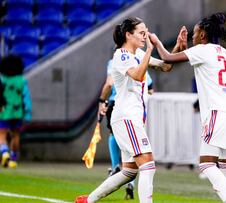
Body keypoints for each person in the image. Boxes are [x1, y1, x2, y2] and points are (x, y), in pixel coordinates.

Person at [76, 17, 186, 203]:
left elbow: (166, 66)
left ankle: (88, 200)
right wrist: (150, 49)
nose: (145, 36)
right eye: (141, 33)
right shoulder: (122, 55)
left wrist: (176, 48)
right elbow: (136, 75)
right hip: (126, 117)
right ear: (128, 34)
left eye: (146, 32)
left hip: (130, 118)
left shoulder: (137, 54)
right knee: (148, 166)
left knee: (129, 171)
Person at [150, 12, 226, 203]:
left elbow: (167, 58)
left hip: (219, 112)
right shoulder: (223, 52)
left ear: (203, 35)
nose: (193, 37)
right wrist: (182, 48)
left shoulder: (203, 50)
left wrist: (156, 42)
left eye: (195, 33)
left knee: (206, 165)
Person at [99, 59, 155, 200]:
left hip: (118, 105)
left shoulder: (116, 59)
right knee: (136, 154)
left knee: (116, 136)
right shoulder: (141, 60)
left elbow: (109, 84)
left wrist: (101, 101)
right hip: (137, 110)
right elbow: (150, 88)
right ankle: (130, 182)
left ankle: (114, 166)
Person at [0, 55, 32, 168]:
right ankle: (13, 159)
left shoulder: (2, 80)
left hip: (4, 112)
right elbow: (26, 98)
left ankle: (4, 153)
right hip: (17, 112)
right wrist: (28, 113)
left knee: (2, 135)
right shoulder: (22, 81)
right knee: (15, 135)